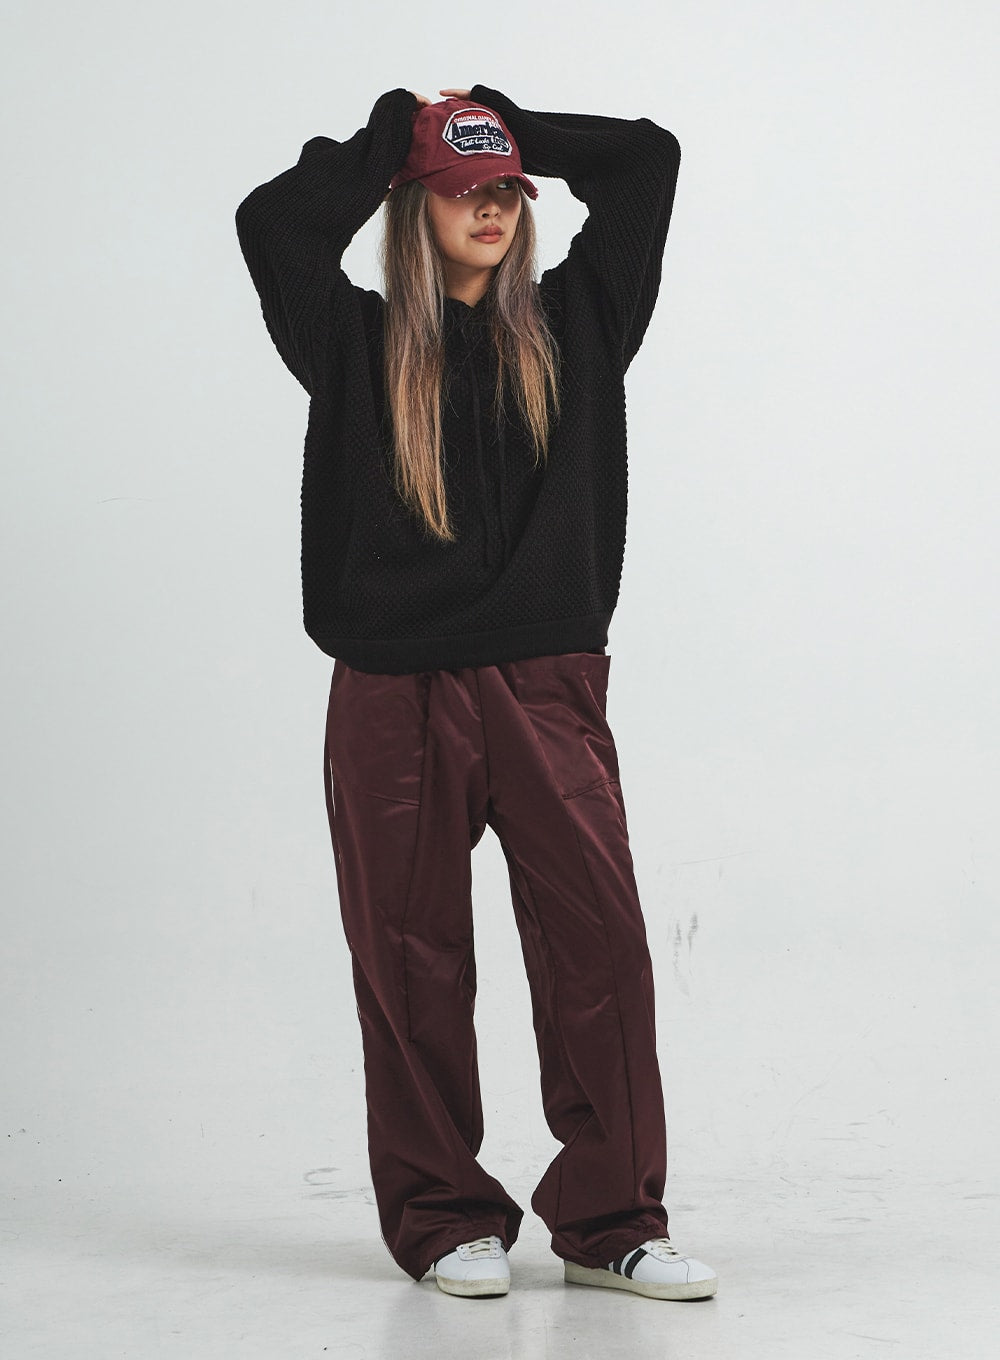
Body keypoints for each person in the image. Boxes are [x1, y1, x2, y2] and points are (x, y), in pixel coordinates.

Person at [235, 82, 717, 1303]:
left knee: (600, 945)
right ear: (415, 207)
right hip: (390, 690)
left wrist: (502, 123)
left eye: (505, 188)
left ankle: (611, 1222)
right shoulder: (351, 343)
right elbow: (273, 223)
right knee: (411, 960)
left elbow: (648, 162)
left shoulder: (580, 320)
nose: (491, 208)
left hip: (547, 683)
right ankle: (444, 1215)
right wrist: (396, 139)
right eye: (463, 191)